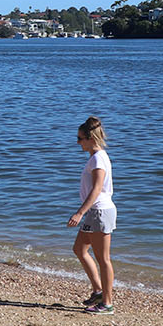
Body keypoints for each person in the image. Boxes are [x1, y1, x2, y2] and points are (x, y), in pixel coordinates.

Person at [68, 116, 115, 314]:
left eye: (80, 139)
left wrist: (80, 213)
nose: (78, 143)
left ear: (90, 138)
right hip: (94, 213)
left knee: (104, 259)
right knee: (79, 249)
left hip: (99, 212)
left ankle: (107, 303)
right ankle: (98, 291)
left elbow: (96, 190)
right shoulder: (96, 156)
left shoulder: (98, 159)